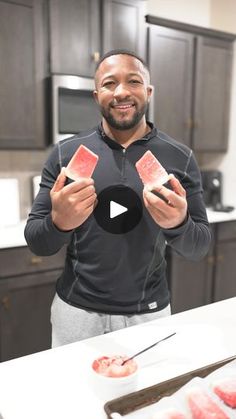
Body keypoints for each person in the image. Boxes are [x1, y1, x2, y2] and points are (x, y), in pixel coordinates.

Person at [24, 49, 211, 347]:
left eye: (133, 82)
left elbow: (199, 247)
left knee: (148, 394)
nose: (121, 92)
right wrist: (59, 223)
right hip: (76, 311)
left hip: (148, 312)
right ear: (96, 95)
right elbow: (37, 241)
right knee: (74, 393)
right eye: (110, 84)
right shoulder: (66, 154)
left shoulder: (180, 157)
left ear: (148, 92)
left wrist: (179, 223)